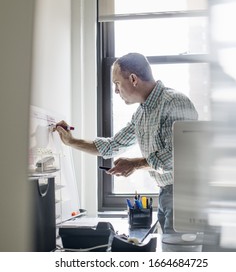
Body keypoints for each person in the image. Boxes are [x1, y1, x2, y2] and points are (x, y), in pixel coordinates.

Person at [53, 52, 198, 233]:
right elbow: (112, 146)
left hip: (184, 195)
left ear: (133, 79)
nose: (115, 90)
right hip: (166, 194)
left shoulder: (173, 102)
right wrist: (71, 141)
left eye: (117, 83)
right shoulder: (141, 114)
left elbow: (176, 158)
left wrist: (135, 164)